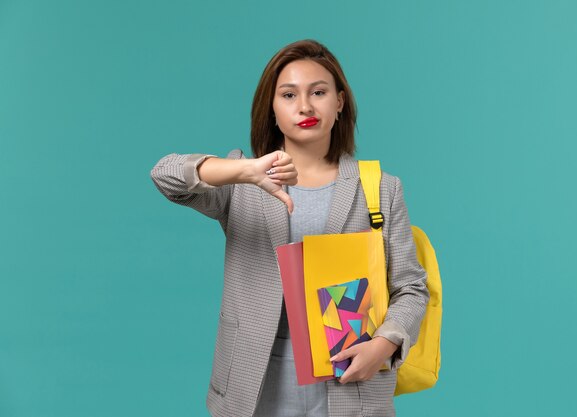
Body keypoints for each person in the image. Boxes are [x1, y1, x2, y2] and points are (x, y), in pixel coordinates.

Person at [151, 39, 429, 417]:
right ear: (272, 108)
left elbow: (412, 288)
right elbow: (165, 175)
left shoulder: (381, 188)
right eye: (288, 95)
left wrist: (384, 344)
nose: (305, 106)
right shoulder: (241, 183)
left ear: (340, 103)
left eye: (319, 92)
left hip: (350, 384)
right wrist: (243, 170)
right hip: (255, 383)